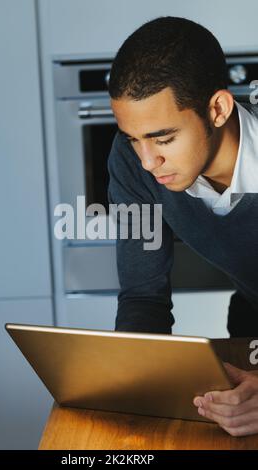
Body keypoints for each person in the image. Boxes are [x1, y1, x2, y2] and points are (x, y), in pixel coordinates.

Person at [107, 16, 258, 436]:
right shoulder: (132, 166)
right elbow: (143, 297)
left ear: (217, 109)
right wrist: (136, 381)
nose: (146, 162)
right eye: (133, 138)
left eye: (163, 138)